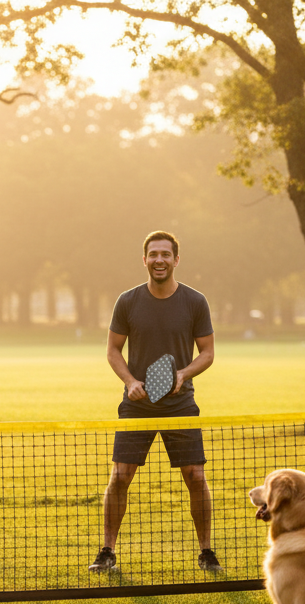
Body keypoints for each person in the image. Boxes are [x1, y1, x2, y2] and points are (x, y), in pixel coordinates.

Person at [92, 230, 219, 574]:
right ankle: (107, 551)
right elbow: (113, 350)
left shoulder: (195, 302)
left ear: (176, 260)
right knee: (120, 476)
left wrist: (183, 374)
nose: (159, 260)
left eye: (166, 254)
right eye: (153, 254)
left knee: (195, 475)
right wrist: (130, 382)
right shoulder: (128, 301)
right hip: (137, 405)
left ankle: (207, 552)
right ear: (144, 259)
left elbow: (207, 353)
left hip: (181, 405)